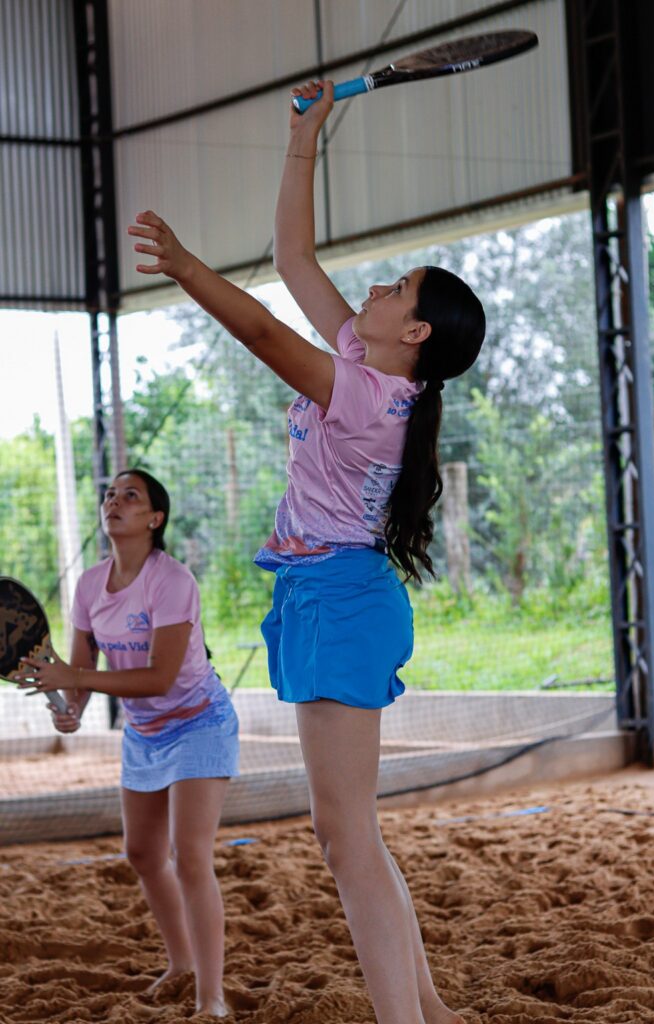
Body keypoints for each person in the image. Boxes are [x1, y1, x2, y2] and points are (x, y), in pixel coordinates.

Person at [124, 79, 485, 1024]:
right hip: (327, 593)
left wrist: (190, 267)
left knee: (342, 837)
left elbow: (256, 327)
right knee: (353, 834)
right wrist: (303, 136)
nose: (375, 286)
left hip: (337, 599)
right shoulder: (372, 371)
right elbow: (292, 256)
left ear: (414, 333)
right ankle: (432, 1012)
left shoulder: (367, 398)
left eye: (395, 289)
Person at [15, 468, 239, 1019]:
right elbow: (83, 667)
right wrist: (70, 709)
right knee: (141, 853)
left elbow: (159, 678)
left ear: (154, 519)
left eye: (130, 496)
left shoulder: (173, 581)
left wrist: (73, 678)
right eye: (109, 495)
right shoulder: (91, 585)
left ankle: (213, 997)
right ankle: (180, 964)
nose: (114, 501)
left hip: (198, 721)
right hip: (144, 730)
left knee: (190, 856)